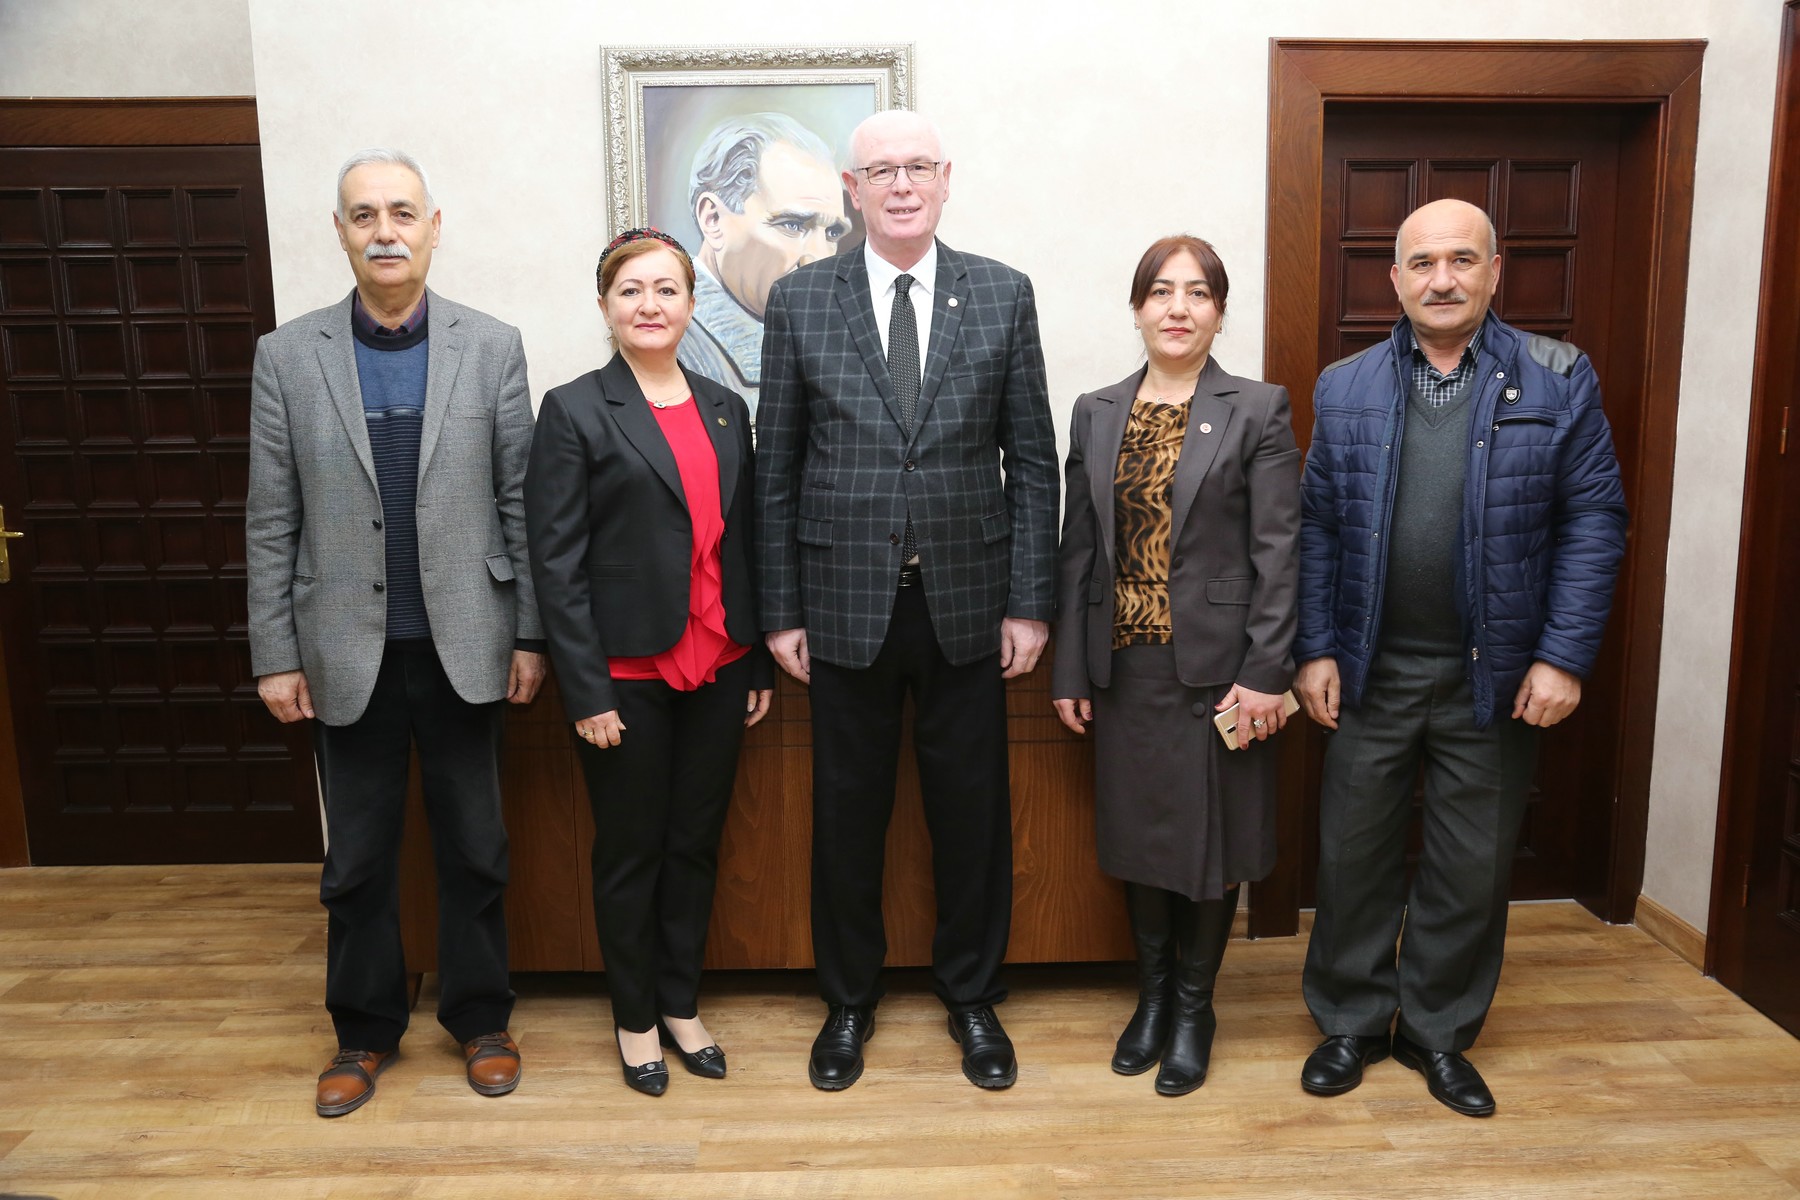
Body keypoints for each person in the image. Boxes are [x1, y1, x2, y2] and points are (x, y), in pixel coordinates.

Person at [1294, 198, 1628, 1117]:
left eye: (1462, 260)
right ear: (1395, 279)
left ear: (1494, 271)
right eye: (1423, 263)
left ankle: (1437, 1033)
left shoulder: (1558, 377)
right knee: (1351, 856)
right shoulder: (1345, 385)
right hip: (1370, 668)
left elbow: (1594, 521)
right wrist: (1314, 647)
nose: (1442, 280)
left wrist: (1563, 657)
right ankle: (1352, 1023)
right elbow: (1317, 525)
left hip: (1497, 674)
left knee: (1470, 865)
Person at [755, 110, 1059, 1091]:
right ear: (852, 189)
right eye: (880, 170)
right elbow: (776, 468)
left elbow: (1033, 460)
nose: (900, 185)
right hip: (840, 604)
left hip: (970, 602)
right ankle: (848, 1001)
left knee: (972, 815)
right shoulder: (802, 301)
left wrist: (1031, 601)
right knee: (848, 817)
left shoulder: (1002, 292)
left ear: (945, 178)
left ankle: (972, 995)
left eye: (917, 167)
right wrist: (780, 610)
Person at [246, 148, 545, 1118]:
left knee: (476, 848)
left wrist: (530, 636)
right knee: (358, 862)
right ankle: (364, 1031)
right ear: (340, 231)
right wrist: (275, 654)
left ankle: (481, 1020)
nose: (385, 231)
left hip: (468, 644)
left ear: (433, 227)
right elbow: (270, 517)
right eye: (365, 214)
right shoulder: (287, 356)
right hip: (344, 651)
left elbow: (519, 501)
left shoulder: (491, 346)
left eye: (402, 212)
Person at [524, 228, 773, 1097]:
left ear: (692, 304)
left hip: (720, 667)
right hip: (624, 678)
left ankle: (680, 1005)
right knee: (632, 853)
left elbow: (743, 543)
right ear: (605, 307)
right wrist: (584, 689)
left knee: (695, 847)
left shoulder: (724, 406)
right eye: (631, 290)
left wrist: (756, 664)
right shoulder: (574, 409)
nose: (650, 305)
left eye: (667, 289)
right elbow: (555, 563)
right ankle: (635, 1022)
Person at [1052, 236, 1300, 1096]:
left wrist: (1267, 670)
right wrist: (1070, 671)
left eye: (1198, 293)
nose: (1178, 308)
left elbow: (1280, 550)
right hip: (1126, 668)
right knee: (1140, 840)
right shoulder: (1095, 410)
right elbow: (1077, 550)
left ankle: (1196, 1008)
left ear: (1219, 312)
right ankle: (1153, 999)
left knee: (1208, 845)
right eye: (1161, 291)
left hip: (1221, 671)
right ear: (1138, 308)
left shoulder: (1257, 408)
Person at [680, 113, 851, 415]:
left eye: (832, 233)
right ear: (713, 219)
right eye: (792, 225)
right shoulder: (673, 344)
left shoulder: (835, 338)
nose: (820, 258)